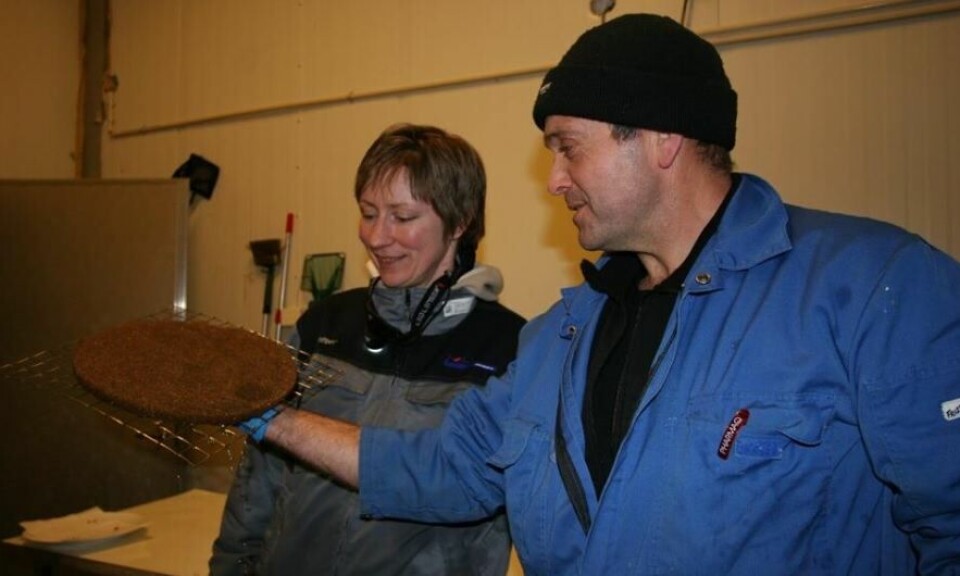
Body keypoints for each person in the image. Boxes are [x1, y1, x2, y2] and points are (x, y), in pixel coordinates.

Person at [238, 14, 960, 575]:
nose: (552, 180)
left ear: (661, 139)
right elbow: (442, 469)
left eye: (568, 145)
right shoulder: (557, 340)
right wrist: (268, 416)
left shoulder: (874, 289)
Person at [210, 123, 526, 575]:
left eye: (402, 217)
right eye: (368, 212)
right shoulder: (323, 325)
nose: (377, 237)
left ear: (459, 221)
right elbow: (259, 480)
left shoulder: (509, 350)